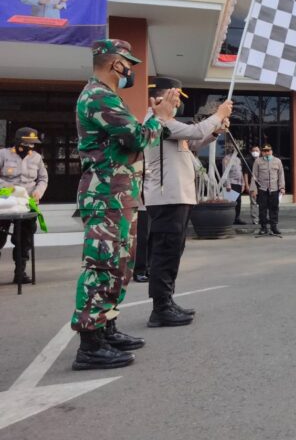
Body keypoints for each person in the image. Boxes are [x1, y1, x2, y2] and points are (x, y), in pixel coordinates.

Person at [70, 38, 179, 371]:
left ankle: (107, 328)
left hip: (118, 194)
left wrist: (155, 118)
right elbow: (136, 138)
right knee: (102, 265)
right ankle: (90, 344)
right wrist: (159, 117)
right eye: (127, 62)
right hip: (105, 195)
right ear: (113, 62)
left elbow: (133, 136)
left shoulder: (108, 96)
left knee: (120, 266)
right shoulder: (98, 96)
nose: (130, 69)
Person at [144, 77, 232, 328]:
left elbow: (192, 142)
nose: (177, 105)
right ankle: (160, 309)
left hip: (177, 197)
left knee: (173, 251)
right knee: (164, 253)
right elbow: (193, 132)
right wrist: (218, 114)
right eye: (175, 99)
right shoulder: (156, 122)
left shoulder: (168, 124)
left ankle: (167, 302)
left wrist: (215, 130)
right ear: (159, 98)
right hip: (167, 198)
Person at [0, 127, 48, 284]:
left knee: (24, 238)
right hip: (6, 202)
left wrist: (39, 192)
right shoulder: (3, 154)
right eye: (28, 143)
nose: (31, 147)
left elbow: (43, 178)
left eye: (33, 144)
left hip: (27, 202)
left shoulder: (36, 158)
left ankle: (20, 272)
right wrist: (8, 188)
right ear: (19, 142)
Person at [251, 143, 285, 236]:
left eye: (268, 151)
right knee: (262, 209)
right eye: (265, 151)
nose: (267, 153)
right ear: (262, 152)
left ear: (271, 151)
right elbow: (254, 176)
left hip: (274, 189)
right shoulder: (258, 161)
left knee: (274, 209)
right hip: (262, 189)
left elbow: (281, 175)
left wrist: (282, 187)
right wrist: (253, 190)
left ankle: (274, 227)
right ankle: (263, 227)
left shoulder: (277, 161)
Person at [223, 142, 245, 225]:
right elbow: (225, 172)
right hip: (231, 183)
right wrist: (228, 184)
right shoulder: (226, 159)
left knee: (238, 202)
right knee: (231, 202)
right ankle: (230, 219)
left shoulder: (238, 159)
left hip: (238, 183)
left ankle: (237, 218)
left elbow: (240, 172)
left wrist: (243, 184)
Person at [245, 144, 261, 225]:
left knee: (262, 202)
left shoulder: (263, 160)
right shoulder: (248, 161)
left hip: (262, 185)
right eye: (253, 151)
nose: (255, 152)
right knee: (254, 202)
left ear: (260, 152)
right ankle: (255, 220)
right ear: (251, 152)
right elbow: (245, 174)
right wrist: (247, 185)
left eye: (257, 151)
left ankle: (262, 218)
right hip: (252, 184)